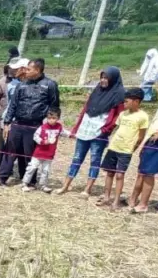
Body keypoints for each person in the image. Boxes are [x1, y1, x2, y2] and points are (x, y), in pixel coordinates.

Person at [53, 67, 126, 196]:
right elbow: (85, 110)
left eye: (106, 78)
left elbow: (118, 117)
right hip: (84, 130)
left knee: (95, 160)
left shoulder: (118, 94)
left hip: (99, 134)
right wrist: (76, 128)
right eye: (102, 77)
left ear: (113, 79)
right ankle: (65, 185)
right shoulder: (97, 90)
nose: (103, 80)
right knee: (76, 158)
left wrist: (106, 130)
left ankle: (87, 189)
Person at [0, 58, 60, 186]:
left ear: (37, 70)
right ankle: (2, 177)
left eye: (28, 69)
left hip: (35, 126)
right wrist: (7, 122)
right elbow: (13, 105)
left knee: (29, 154)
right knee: (10, 150)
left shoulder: (50, 85)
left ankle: (28, 180)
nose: (25, 71)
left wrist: (49, 125)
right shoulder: (22, 84)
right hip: (18, 123)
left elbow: (54, 106)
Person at [100, 88, 149, 210]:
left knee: (120, 175)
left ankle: (116, 201)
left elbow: (141, 136)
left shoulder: (143, 117)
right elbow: (117, 129)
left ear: (136, 101)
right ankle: (106, 197)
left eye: (126, 101)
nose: (124, 103)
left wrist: (132, 149)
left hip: (125, 151)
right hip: (114, 147)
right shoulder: (123, 114)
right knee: (110, 172)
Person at [132, 75, 158, 212]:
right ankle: (133, 199)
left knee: (148, 173)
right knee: (142, 170)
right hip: (151, 139)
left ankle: (143, 204)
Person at [21, 109, 63, 193]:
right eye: (49, 118)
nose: (51, 120)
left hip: (49, 154)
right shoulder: (42, 127)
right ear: (47, 118)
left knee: (45, 170)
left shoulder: (59, 127)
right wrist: (43, 142)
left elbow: (64, 133)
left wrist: (72, 135)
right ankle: (24, 183)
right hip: (39, 153)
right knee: (32, 167)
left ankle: (43, 185)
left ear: (58, 118)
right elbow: (35, 136)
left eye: (54, 118)